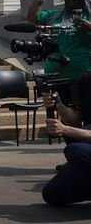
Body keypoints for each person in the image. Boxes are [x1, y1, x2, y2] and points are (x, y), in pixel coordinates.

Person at [27, 0, 91, 98]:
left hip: (84, 78)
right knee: (62, 114)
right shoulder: (56, 16)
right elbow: (32, 18)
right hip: (57, 78)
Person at [40, 74, 91, 206]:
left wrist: (65, 130)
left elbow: (71, 130)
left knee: (77, 150)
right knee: (51, 194)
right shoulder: (86, 81)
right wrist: (59, 105)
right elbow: (75, 121)